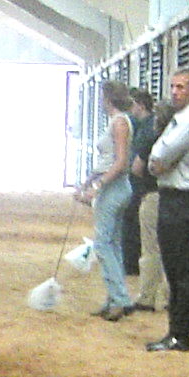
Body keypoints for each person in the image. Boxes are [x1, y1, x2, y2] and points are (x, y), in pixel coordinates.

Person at [144, 67, 189, 354]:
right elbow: (156, 160)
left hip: (180, 200)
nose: (174, 92)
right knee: (175, 267)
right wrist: (158, 163)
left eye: (181, 87)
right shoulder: (181, 119)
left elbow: (159, 156)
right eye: (173, 86)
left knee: (180, 268)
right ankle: (178, 329)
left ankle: (180, 333)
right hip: (174, 198)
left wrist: (160, 163)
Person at [76, 82, 136, 321]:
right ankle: (115, 297)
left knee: (102, 245)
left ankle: (119, 298)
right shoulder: (116, 121)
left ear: (109, 98)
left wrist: (97, 186)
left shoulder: (119, 123)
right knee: (113, 244)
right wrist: (88, 181)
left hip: (114, 187)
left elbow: (120, 162)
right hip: (113, 186)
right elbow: (107, 159)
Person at [125, 89, 161, 311]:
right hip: (158, 192)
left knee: (150, 246)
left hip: (148, 191)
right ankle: (165, 296)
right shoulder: (147, 128)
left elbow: (137, 167)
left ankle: (147, 297)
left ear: (140, 105)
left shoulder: (147, 132)